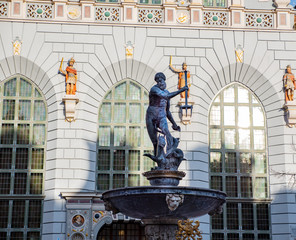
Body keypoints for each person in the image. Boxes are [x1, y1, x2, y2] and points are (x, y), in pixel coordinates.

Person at [146, 72, 188, 156]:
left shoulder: (166, 92)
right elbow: (166, 96)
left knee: (167, 132)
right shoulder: (154, 90)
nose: (160, 83)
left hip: (161, 116)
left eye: (161, 80)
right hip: (151, 117)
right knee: (155, 142)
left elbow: (167, 111)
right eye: (158, 81)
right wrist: (181, 90)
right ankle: (159, 162)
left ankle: (169, 155)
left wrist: (174, 124)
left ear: (164, 80)